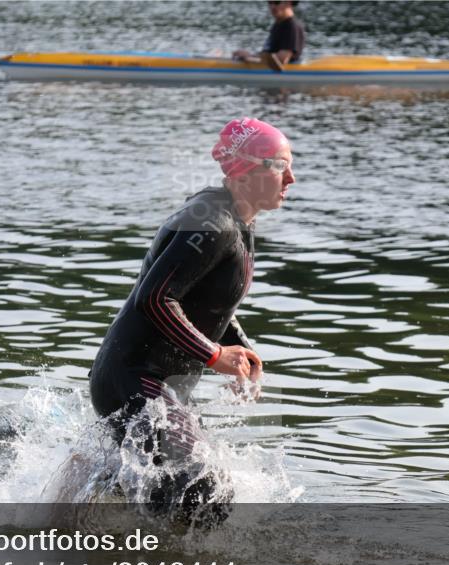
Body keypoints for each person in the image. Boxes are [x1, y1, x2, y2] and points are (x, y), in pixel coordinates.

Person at [89, 118, 295, 523]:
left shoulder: (233, 217)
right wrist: (214, 353)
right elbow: (155, 299)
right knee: (207, 492)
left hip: (154, 383)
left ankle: (90, 499)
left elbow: (209, 302)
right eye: (278, 165)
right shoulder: (211, 224)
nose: (290, 177)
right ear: (246, 170)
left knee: (175, 493)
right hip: (135, 378)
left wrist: (241, 349)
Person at [232, 1, 305, 72]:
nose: (272, 7)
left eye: (277, 2)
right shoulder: (278, 24)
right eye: (270, 2)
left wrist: (249, 57)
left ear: (289, 2)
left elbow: (281, 59)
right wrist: (250, 56)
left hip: (284, 73)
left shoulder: (292, 26)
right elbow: (268, 54)